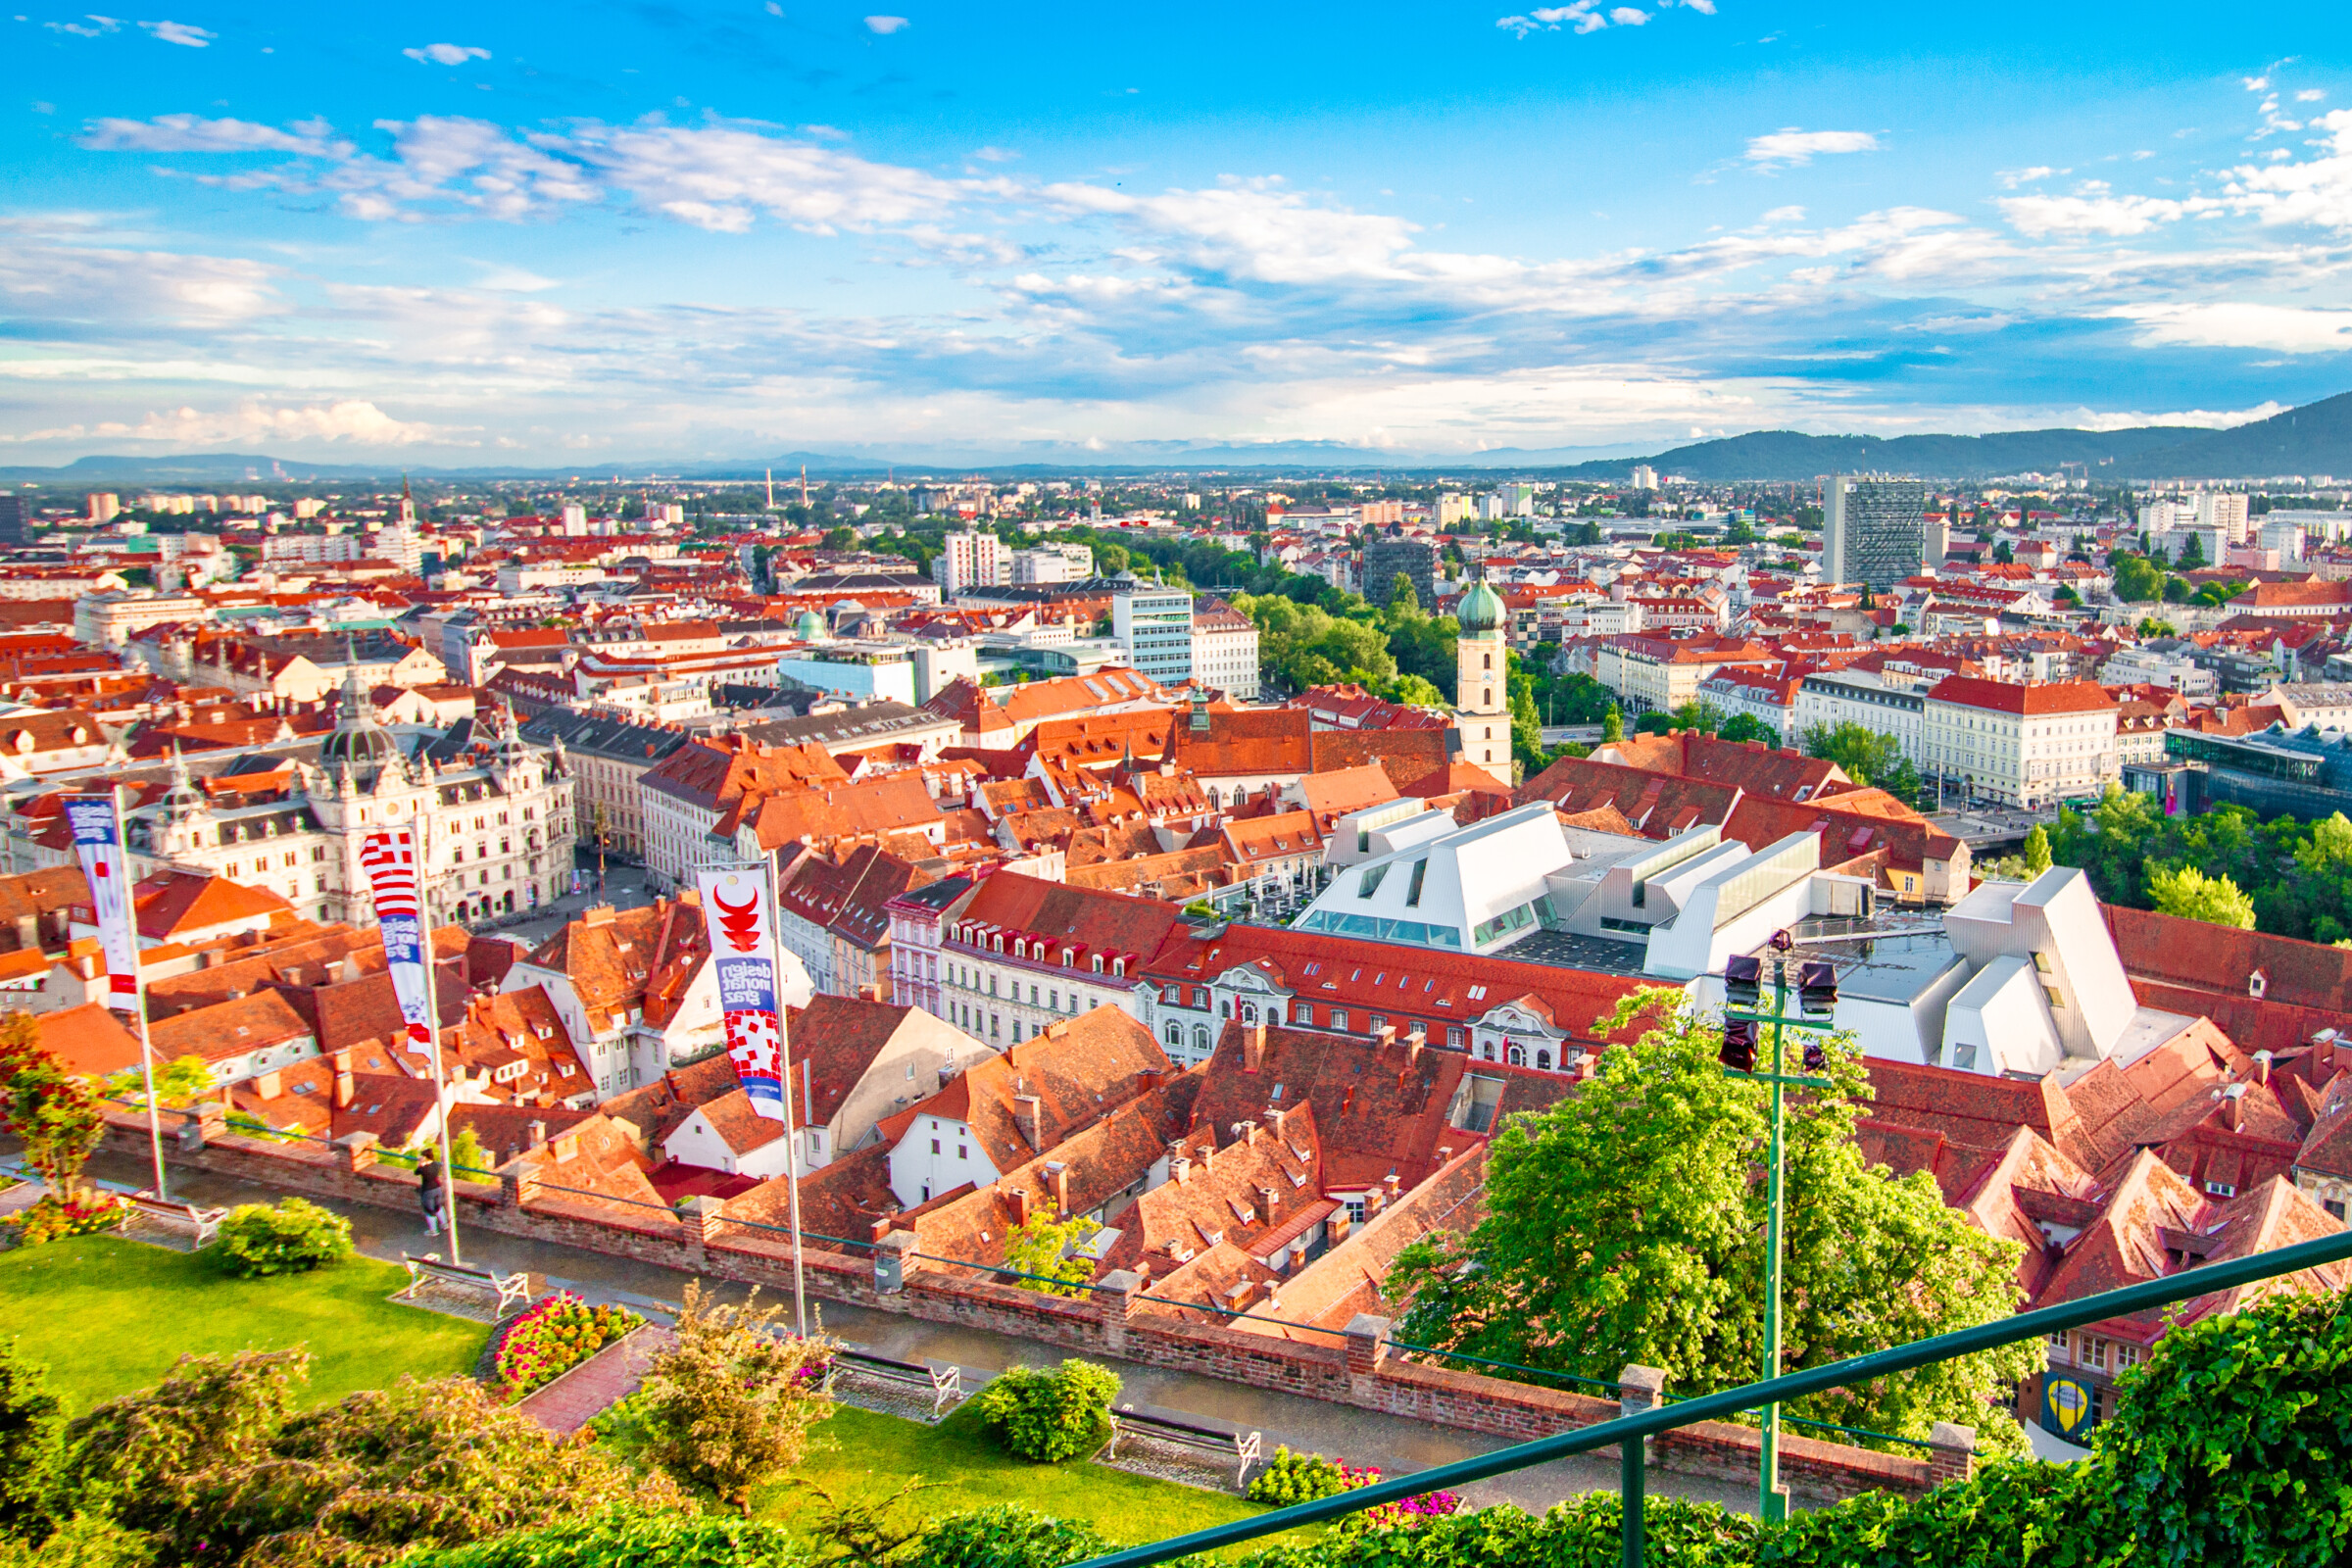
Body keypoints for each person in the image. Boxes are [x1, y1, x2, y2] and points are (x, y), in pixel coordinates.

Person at [418, 1160, 446, 1237]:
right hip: (437, 1188)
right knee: (438, 1207)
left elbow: (417, 1171)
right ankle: (444, 1224)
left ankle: (433, 1230)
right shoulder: (436, 1164)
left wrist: (420, 1163)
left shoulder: (424, 1168)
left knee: (429, 1211)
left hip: (428, 1190)